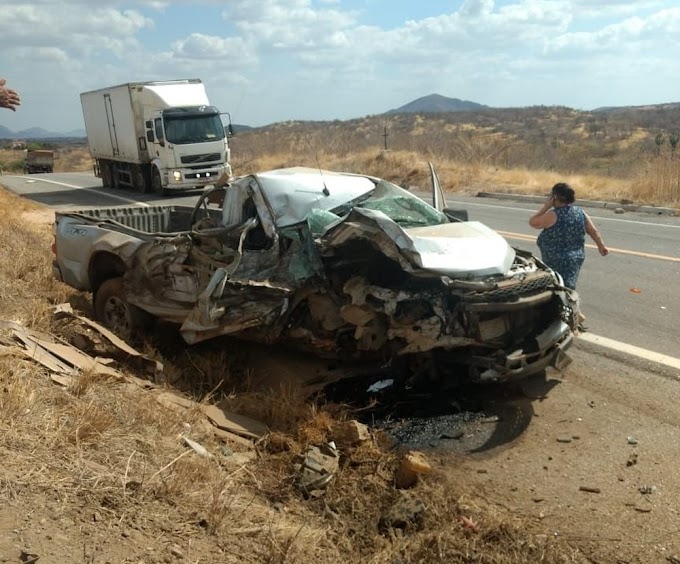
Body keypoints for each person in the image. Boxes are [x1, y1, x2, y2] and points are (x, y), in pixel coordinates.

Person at [529, 181, 608, 297]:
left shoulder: (552, 215)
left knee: (557, 288)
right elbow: (593, 231)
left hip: (556, 259)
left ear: (555, 197)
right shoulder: (580, 212)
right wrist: (601, 246)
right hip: (576, 258)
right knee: (568, 286)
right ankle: (574, 309)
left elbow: (533, 222)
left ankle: (573, 311)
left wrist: (545, 207)